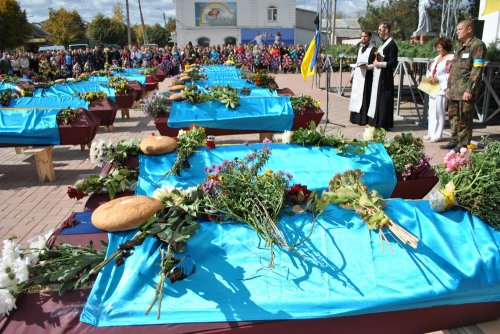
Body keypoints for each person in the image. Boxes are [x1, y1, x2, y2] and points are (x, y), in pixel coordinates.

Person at [441, 20, 487, 151]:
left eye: (460, 29)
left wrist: (470, 89)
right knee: (453, 116)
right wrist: (449, 87)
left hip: (466, 90)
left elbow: (477, 69)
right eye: (457, 29)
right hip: (454, 89)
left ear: (469, 30)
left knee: (465, 118)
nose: (457, 32)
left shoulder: (478, 45)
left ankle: (463, 144)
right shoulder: (460, 46)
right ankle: (454, 140)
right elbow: (454, 69)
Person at [367, 22, 398, 130]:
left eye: (380, 30)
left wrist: (379, 64)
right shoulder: (382, 44)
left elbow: (393, 63)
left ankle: (383, 123)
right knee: (377, 98)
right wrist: (370, 66)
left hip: (385, 77)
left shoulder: (392, 45)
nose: (379, 32)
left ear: (387, 30)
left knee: (384, 100)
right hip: (378, 75)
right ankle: (376, 120)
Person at [424, 37, 454, 142]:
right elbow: (430, 70)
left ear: (446, 47)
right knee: (431, 110)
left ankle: (438, 134)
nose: (438, 49)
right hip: (432, 86)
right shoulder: (437, 57)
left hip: (441, 88)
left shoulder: (451, 58)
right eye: (437, 47)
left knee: (439, 111)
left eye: (440, 47)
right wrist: (429, 77)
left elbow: (449, 75)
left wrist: (438, 79)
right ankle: (430, 132)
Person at [349, 30, 376, 125]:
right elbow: (357, 62)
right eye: (362, 36)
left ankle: (363, 119)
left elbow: (375, 64)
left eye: (365, 36)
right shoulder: (359, 49)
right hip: (358, 77)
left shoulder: (373, 49)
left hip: (367, 77)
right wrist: (352, 75)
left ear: (369, 38)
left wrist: (367, 67)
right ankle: (355, 118)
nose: (363, 38)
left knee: (364, 97)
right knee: (356, 96)